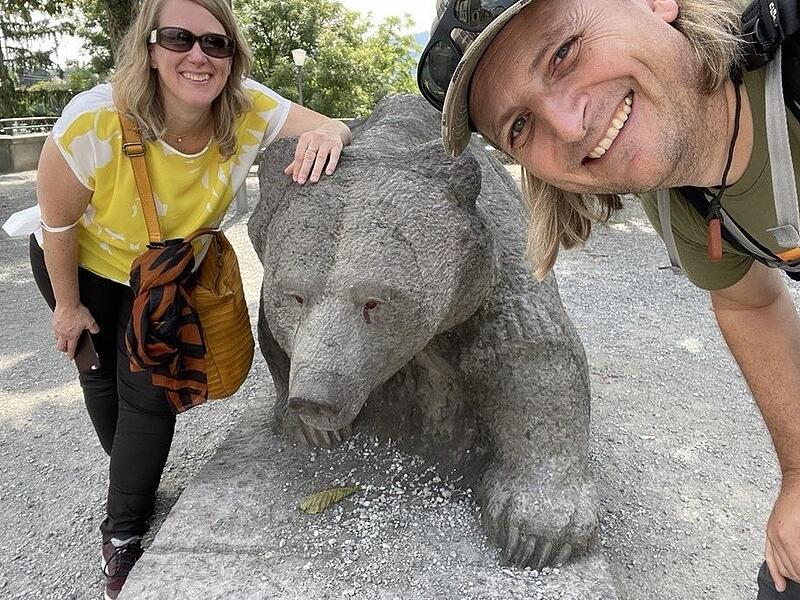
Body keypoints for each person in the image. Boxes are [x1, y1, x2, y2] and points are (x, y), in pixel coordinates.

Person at [418, 0, 800, 598]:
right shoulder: (681, 202)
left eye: (564, 53)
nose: (570, 129)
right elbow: (749, 302)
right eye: (519, 126)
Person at [29, 0, 351, 597]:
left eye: (216, 43)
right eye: (178, 38)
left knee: (149, 396)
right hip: (86, 269)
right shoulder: (93, 120)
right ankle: (135, 482)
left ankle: (122, 534)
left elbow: (329, 124)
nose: (199, 55)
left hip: (167, 278)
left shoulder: (249, 108)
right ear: (149, 49)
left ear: (232, 56)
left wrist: (329, 133)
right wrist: (68, 307)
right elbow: (57, 228)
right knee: (103, 385)